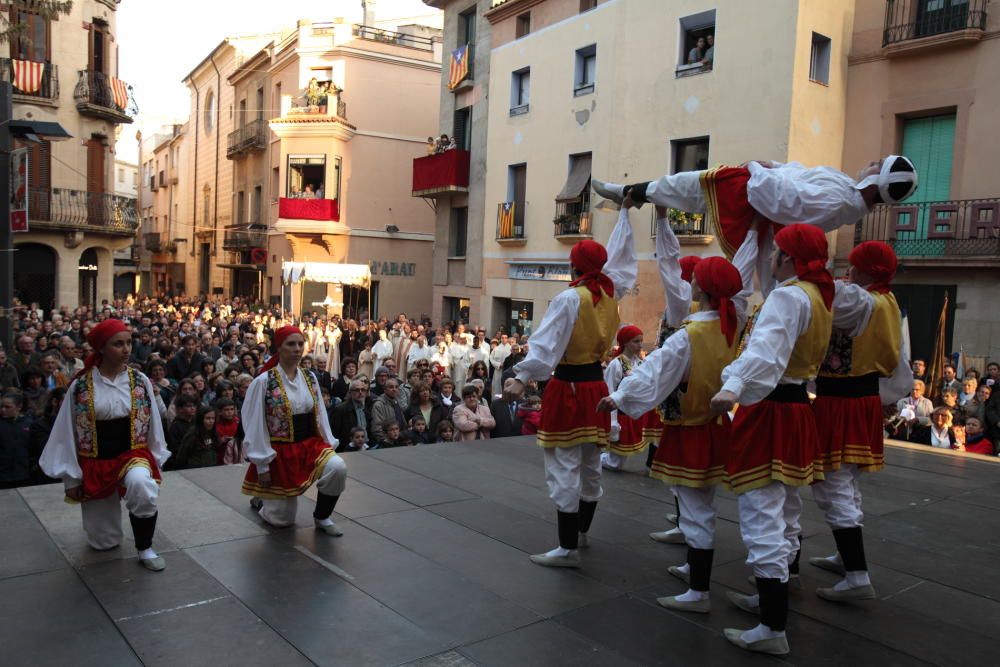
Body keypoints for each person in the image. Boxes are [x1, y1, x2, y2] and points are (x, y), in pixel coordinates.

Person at [709, 224, 835, 655]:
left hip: (772, 408)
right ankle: (769, 602)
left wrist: (735, 384)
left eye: (777, 253)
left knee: (762, 513)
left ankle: (772, 627)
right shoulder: (820, 296)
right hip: (797, 408)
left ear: (787, 259)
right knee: (785, 508)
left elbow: (766, 350)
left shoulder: (788, 296)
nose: (772, 260)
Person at [600, 254, 748, 614]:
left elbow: (655, 374)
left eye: (695, 278)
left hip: (691, 429)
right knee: (702, 503)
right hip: (715, 426)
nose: (690, 281)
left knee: (695, 510)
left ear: (705, 289)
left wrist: (618, 398)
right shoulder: (732, 328)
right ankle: (693, 568)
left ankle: (698, 592)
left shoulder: (689, 337)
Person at [508, 206, 637, 568]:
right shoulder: (611, 295)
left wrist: (521, 377)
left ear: (573, 265)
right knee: (591, 462)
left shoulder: (570, 298)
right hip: (595, 385)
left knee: (563, 464)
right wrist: (624, 217)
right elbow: (624, 265)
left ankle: (566, 548)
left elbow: (547, 345)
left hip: (568, 387)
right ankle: (580, 532)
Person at [593, 155, 918, 287]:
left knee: (687, 186)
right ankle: (632, 194)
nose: (872, 163)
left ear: (878, 182)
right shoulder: (846, 190)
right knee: (684, 188)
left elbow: (784, 198)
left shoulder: (839, 201)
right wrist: (773, 164)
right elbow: (799, 175)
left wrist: (759, 169)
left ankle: (630, 193)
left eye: (878, 165)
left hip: (754, 199)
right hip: (756, 195)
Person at [808, 241, 912, 604]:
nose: (847, 271)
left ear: (864, 271)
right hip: (861, 399)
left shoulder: (860, 300)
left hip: (842, 401)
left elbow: (824, 292)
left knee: (832, 483)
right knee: (846, 482)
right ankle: (846, 557)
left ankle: (856, 574)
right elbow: (902, 373)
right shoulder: (888, 302)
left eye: (852, 266)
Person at [39, 319, 170, 572]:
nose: (126, 350)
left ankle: (145, 547)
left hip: (132, 454)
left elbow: (154, 421)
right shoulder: (80, 386)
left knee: (143, 486)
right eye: (118, 344)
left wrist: (156, 457)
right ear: (101, 348)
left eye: (129, 343)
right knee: (103, 542)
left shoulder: (139, 380)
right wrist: (71, 479)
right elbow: (66, 433)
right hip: (95, 460)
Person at [241, 326, 348, 537]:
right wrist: (262, 464)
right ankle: (264, 500)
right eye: (291, 344)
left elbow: (319, 413)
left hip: (309, 445)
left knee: (338, 468)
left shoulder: (310, 377)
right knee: (282, 522)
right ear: (278, 347)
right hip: (279, 452)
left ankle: (322, 516)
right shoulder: (263, 382)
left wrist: (328, 442)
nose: (297, 349)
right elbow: (254, 423)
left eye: (300, 344)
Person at [601, 325, 650, 472]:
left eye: (641, 341)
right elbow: (609, 391)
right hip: (620, 415)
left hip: (633, 414)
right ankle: (590, 459)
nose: (640, 345)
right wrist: (612, 423)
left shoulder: (640, 363)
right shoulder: (616, 364)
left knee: (618, 461)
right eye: (636, 341)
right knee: (615, 463)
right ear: (625, 343)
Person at [0, 392, 33, 488]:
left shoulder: (29, 424)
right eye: (2, 406)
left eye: (7, 407)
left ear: (19, 407)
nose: (3, 409)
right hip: (3, 476)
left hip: (23, 475)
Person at [331, 378, 373, 447]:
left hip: (365, 447)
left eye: (363, 390)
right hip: (348, 449)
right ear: (350, 392)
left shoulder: (366, 408)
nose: (360, 392)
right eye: (357, 390)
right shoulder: (340, 409)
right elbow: (335, 434)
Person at [371, 378, 408, 444]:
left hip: (400, 441)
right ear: (385, 390)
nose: (394, 389)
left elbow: (403, 423)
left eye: (396, 387)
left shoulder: (396, 402)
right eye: (391, 387)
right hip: (387, 444)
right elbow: (377, 428)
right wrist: (386, 442)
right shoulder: (379, 405)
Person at [214, 397, 244, 464]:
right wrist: (220, 441)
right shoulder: (216, 426)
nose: (230, 412)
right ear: (219, 412)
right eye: (226, 410)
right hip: (221, 459)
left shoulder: (238, 422)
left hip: (237, 458)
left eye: (232, 409)